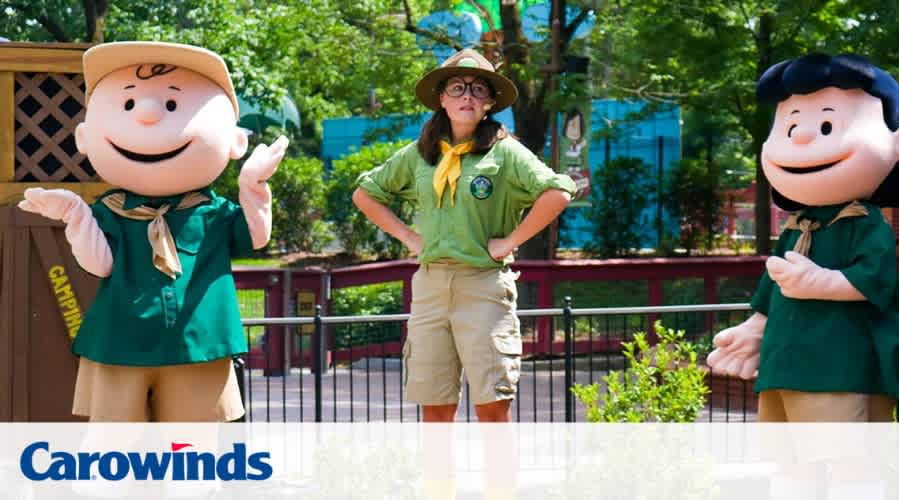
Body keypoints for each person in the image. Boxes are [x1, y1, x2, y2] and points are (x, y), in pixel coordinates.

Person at [18, 41, 288, 422]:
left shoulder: (213, 213)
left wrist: (253, 187)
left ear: (236, 141)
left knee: (190, 452)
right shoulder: (110, 212)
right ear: (84, 137)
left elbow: (256, 237)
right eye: (127, 104)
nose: (146, 113)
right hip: (119, 344)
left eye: (173, 105)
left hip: (198, 345)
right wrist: (75, 214)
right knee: (118, 449)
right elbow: (100, 265)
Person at [706, 53, 899, 500]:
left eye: (826, 126)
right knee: (789, 468)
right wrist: (755, 329)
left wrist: (819, 282)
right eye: (790, 126)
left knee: (850, 466)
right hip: (787, 366)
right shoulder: (795, 226)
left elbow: (873, 282)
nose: (803, 136)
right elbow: (772, 292)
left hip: (838, 368)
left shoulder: (865, 224)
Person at [353, 48, 576, 423]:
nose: (467, 96)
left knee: (492, 409)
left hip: (483, 288)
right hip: (430, 290)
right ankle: (439, 486)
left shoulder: (505, 152)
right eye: (457, 88)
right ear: (442, 98)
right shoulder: (420, 154)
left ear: (489, 102)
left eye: (477, 89)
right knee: (436, 411)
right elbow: (365, 194)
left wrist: (509, 242)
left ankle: (499, 485)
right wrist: (409, 237)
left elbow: (558, 191)